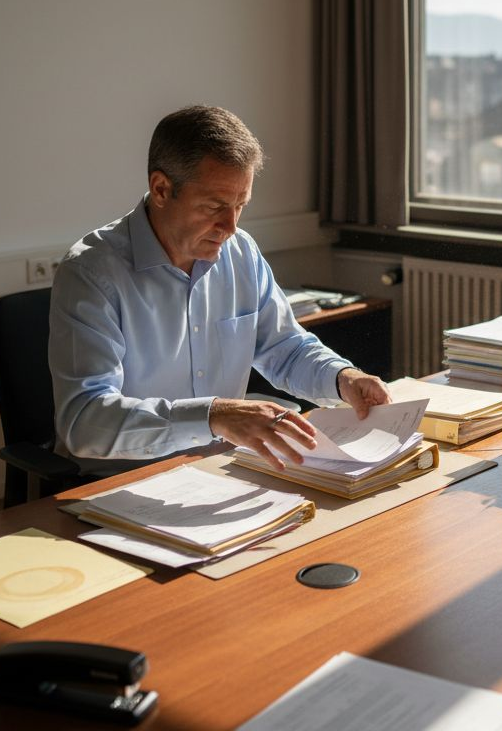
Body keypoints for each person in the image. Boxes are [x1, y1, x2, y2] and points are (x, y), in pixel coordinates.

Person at [49, 105, 391, 478]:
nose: (229, 226)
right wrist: (211, 416)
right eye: (215, 206)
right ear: (161, 189)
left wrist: (343, 378)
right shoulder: (91, 272)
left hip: (219, 470)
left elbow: (285, 348)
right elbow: (84, 421)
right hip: (121, 482)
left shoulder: (240, 252)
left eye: (240, 206)